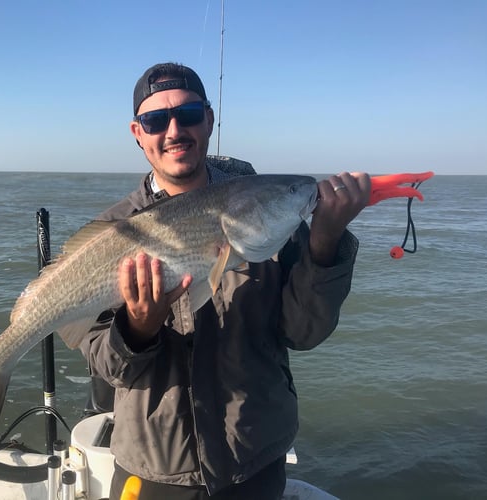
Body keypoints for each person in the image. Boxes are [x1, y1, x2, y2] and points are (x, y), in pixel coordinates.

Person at [79, 62, 371, 500]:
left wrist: (325, 244)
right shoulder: (109, 234)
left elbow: (304, 332)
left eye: (189, 114)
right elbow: (106, 368)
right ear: (138, 133)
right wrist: (137, 329)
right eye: (156, 120)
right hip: (155, 472)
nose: (174, 129)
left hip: (253, 463)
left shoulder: (267, 211)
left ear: (210, 120)